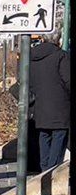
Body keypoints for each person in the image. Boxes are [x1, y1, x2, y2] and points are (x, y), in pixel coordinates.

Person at [27, 35, 70, 171]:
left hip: (39, 105)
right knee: (59, 135)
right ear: (58, 40)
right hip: (60, 106)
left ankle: (44, 169)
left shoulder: (31, 56)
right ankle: (53, 171)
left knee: (44, 135)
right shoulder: (61, 56)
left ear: (43, 39)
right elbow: (68, 81)